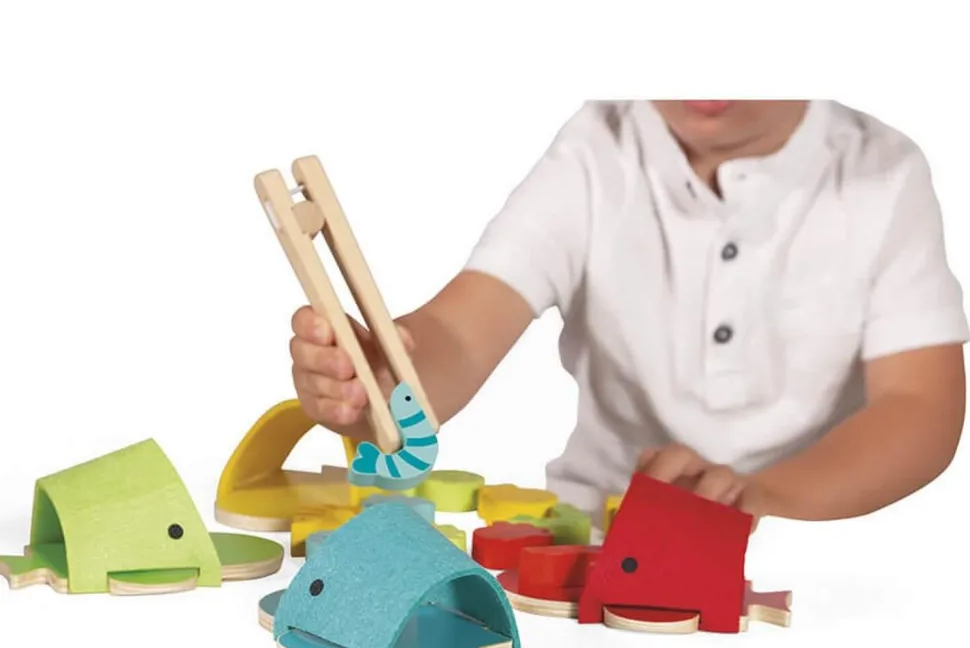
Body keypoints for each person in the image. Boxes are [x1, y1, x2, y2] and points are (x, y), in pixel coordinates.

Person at [288, 100, 968, 525]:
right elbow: (462, 332)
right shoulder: (597, 146)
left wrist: (759, 497)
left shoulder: (884, 172)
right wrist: (384, 378)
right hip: (591, 533)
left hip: (806, 550)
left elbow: (920, 407)